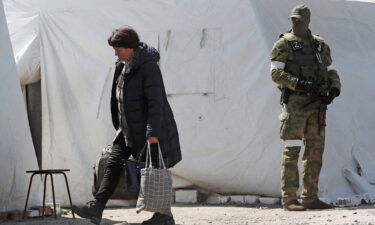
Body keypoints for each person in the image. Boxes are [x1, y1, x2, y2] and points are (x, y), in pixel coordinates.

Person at [72, 26, 182, 224]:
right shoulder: (121, 66)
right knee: (112, 163)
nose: (115, 52)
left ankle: (164, 216)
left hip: (149, 130)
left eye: (118, 48)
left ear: (131, 47)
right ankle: (97, 206)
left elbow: (155, 103)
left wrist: (153, 132)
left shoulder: (149, 67)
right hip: (128, 129)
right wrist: (120, 125)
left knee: (154, 172)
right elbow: (118, 99)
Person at [269, 5, 341, 211]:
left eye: (299, 19)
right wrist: (299, 84)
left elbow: (329, 71)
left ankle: (310, 197)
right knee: (291, 151)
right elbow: (275, 73)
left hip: (317, 106)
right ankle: (289, 199)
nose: (296, 22)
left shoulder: (320, 45)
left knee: (315, 152)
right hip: (295, 106)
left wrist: (334, 89)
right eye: (294, 19)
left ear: (308, 20)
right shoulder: (284, 44)